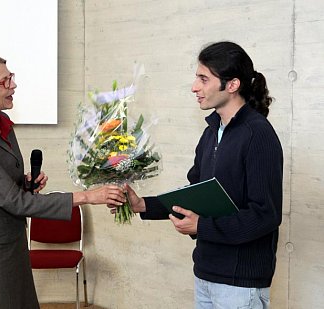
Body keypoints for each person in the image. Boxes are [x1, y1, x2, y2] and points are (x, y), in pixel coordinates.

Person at [0, 52, 126, 309]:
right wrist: (87, 196)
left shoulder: (3, 122)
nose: (13, 85)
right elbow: (13, 201)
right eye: (4, 81)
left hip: (12, 240)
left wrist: (24, 182)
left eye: (11, 78)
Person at [115, 41, 283, 308]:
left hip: (239, 284)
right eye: (196, 78)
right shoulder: (211, 131)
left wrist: (202, 226)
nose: (195, 87)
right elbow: (194, 195)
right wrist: (142, 205)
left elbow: (265, 215)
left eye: (203, 79)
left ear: (232, 85)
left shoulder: (258, 134)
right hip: (205, 273)